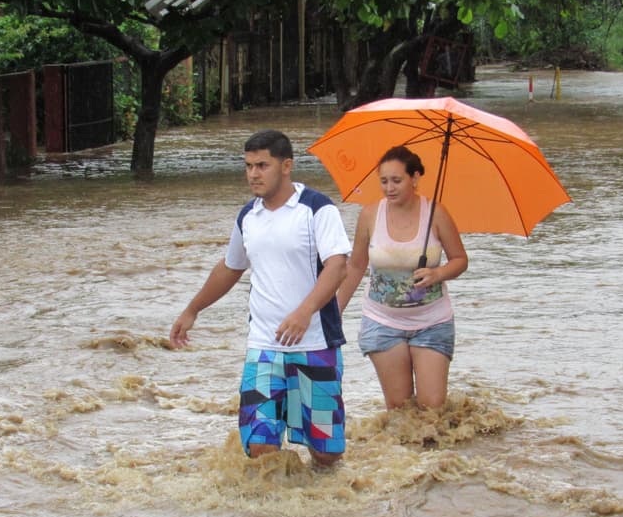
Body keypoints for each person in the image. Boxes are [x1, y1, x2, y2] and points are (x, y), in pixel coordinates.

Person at [170, 130, 352, 468]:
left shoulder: (317, 209)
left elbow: (338, 266)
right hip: (264, 346)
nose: (253, 174)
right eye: (249, 166)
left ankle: (321, 516)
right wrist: (192, 309)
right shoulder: (247, 216)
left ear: (286, 166)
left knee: (327, 453)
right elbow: (230, 268)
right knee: (259, 449)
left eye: (262, 165)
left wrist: (304, 312)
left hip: (315, 343)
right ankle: (272, 516)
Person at [337, 145, 468, 410]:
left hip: (432, 321)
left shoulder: (437, 213)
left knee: (432, 407)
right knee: (400, 409)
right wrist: (333, 310)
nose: (389, 188)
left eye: (397, 180)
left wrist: (438, 273)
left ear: (415, 178)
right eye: (383, 181)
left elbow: (460, 260)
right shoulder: (370, 215)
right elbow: (356, 266)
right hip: (382, 321)